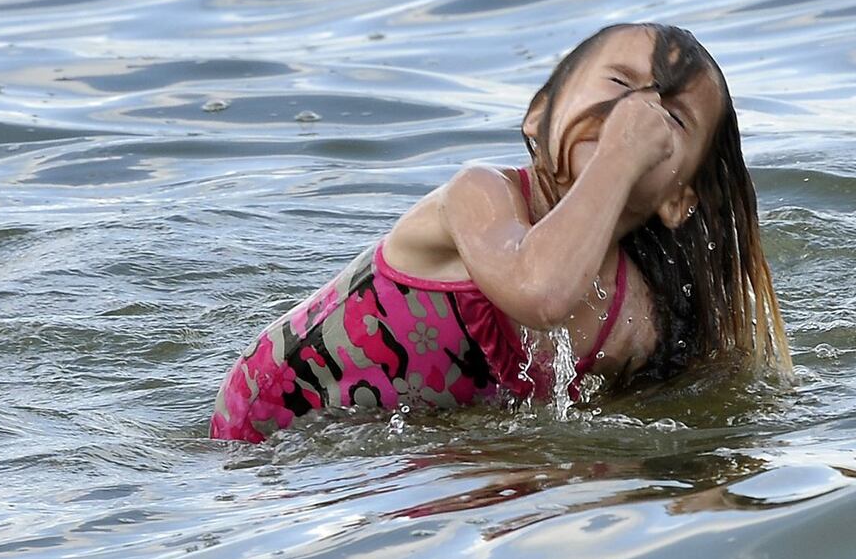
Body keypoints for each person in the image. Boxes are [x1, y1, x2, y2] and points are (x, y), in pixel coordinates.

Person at [211, 23, 789, 443]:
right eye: (619, 83)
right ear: (539, 116)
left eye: (671, 119)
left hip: (402, 451)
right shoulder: (479, 196)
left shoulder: (635, 314)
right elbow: (540, 290)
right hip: (266, 430)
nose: (637, 113)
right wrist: (622, 152)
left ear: (677, 200)